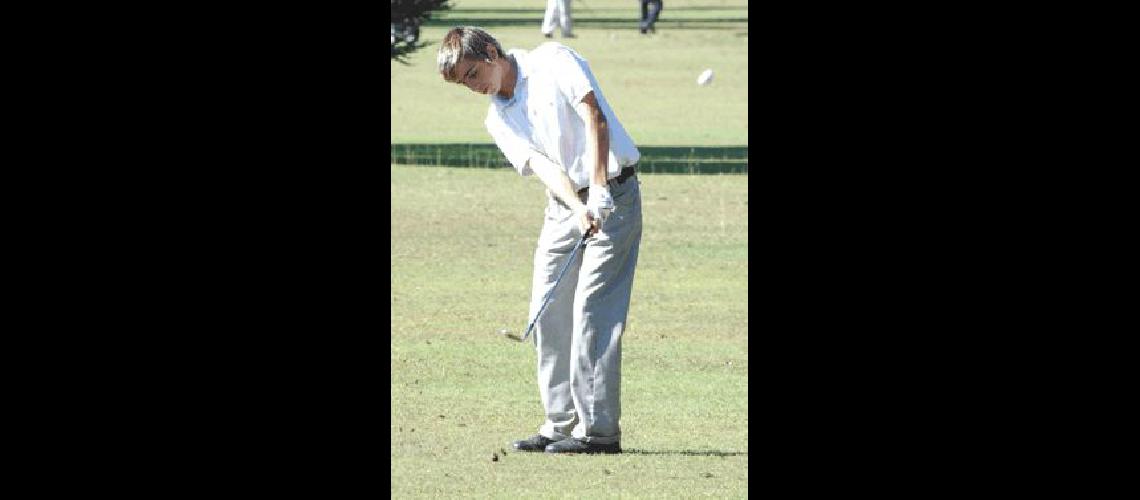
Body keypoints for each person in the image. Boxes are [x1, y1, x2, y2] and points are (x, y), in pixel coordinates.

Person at [437, 27, 643, 454]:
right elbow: (545, 167)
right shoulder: (498, 117)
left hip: (616, 194)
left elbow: (593, 114)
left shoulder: (553, 59)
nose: (473, 87)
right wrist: (577, 205)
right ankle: (558, 423)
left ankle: (599, 433)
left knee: (593, 309)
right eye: (463, 83)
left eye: (473, 74)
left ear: (492, 52)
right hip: (564, 206)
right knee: (547, 305)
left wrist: (600, 190)